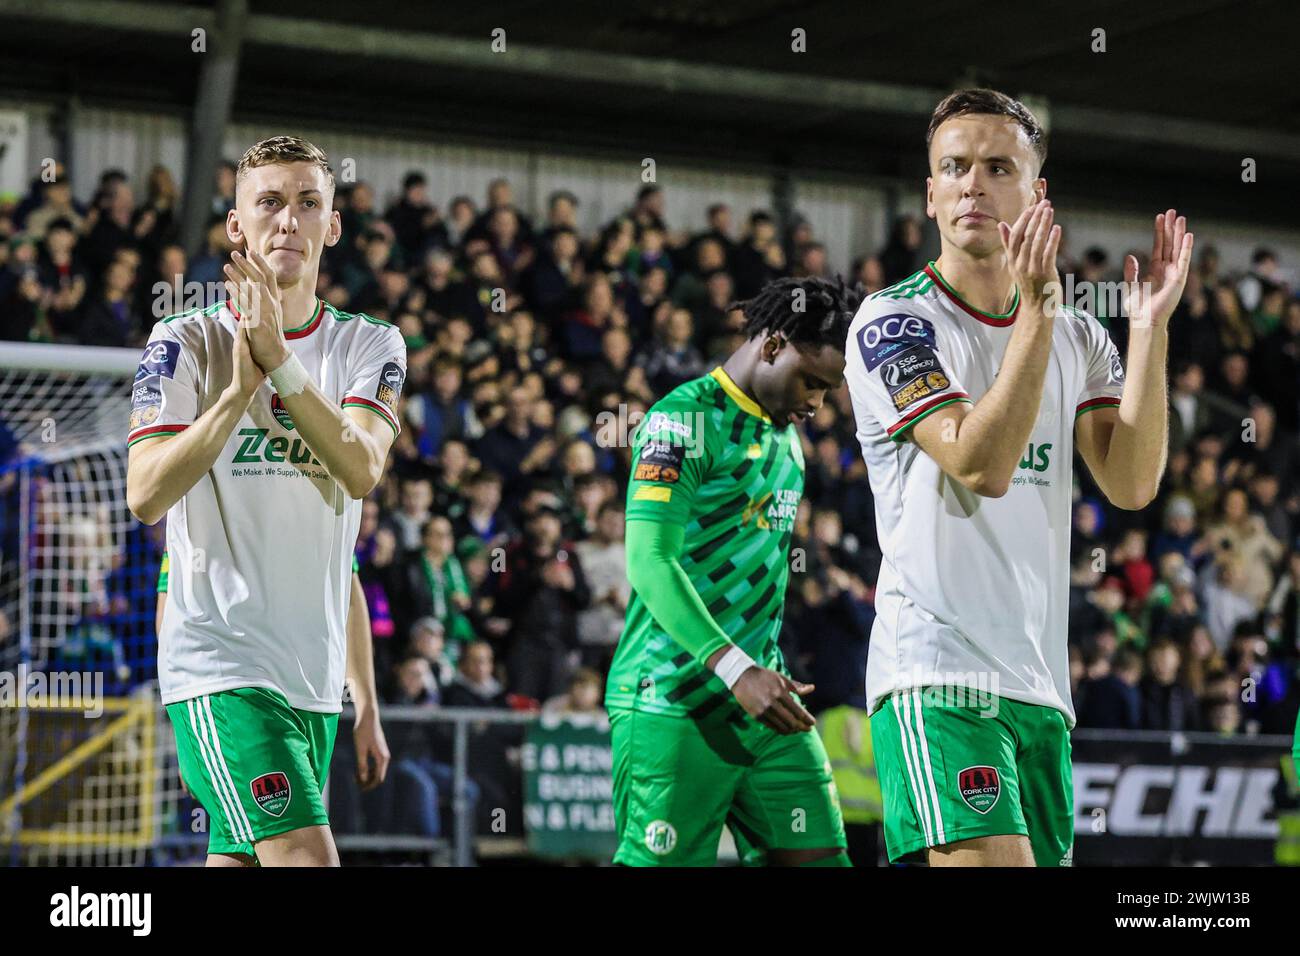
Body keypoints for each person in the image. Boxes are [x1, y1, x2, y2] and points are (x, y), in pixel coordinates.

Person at [845, 89, 1193, 868]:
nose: (973, 184)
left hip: (1040, 690)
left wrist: (1149, 331)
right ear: (930, 195)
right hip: (937, 675)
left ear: (1036, 194)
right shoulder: (893, 321)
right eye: (954, 168)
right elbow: (980, 462)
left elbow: (1132, 485)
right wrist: (1035, 312)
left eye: (997, 167)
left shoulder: (1080, 334)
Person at [125, 136, 406, 867]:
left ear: (333, 226)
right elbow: (146, 494)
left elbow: (359, 473)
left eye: (309, 203)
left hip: (311, 682)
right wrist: (234, 398)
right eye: (270, 203)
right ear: (237, 227)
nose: (289, 221)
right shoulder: (181, 340)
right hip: (221, 664)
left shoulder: (371, 346)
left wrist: (365, 700)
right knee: (308, 861)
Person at [607, 274, 858, 867]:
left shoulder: (786, 441)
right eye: (812, 382)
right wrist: (735, 667)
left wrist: (754, 672)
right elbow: (648, 560)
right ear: (772, 346)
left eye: (829, 390)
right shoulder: (684, 420)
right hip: (675, 697)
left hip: (764, 706)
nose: (816, 403)